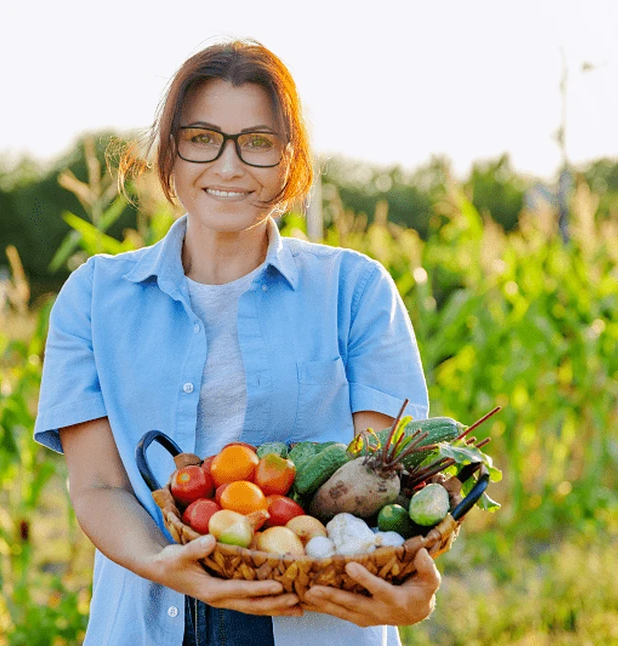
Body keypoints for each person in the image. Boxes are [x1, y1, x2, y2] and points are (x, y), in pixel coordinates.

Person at [34, 39, 440, 646]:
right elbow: (98, 488)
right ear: (169, 150)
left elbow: (384, 489)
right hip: (150, 617)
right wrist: (168, 566)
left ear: (289, 158)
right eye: (202, 138)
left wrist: (406, 589)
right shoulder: (95, 298)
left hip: (314, 617)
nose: (228, 167)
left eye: (257, 142)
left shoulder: (354, 291)